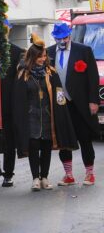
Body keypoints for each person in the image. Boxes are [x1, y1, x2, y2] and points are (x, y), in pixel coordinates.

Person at [12, 33, 77, 190]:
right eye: (39, 56)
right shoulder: (23, 74)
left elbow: (59, 95)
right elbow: (18, 99)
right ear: (32, 57)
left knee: (46, 146)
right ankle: (35, 178)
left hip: (49, 116)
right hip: (31, 116)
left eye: (44, 55)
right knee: (33, 146)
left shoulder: (51, 73)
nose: (42, 59)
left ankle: (45, 177)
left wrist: (61, 112)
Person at [47, 22, 101, 186]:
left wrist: (93, 101)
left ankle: (89, 173)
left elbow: (93, 77)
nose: (62, 41)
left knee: (84, 138)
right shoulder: (49, 53)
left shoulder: (83, 51)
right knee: (64, 140)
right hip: (60, 103)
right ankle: (68, 174)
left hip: (80, 102)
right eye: (59, 38)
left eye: (65, 37)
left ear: (69, 35)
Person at [0, 42, 25, 187]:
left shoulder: (16, 51)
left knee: (9, 140)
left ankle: (8, 174)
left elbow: (19, 80)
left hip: (8, 103)